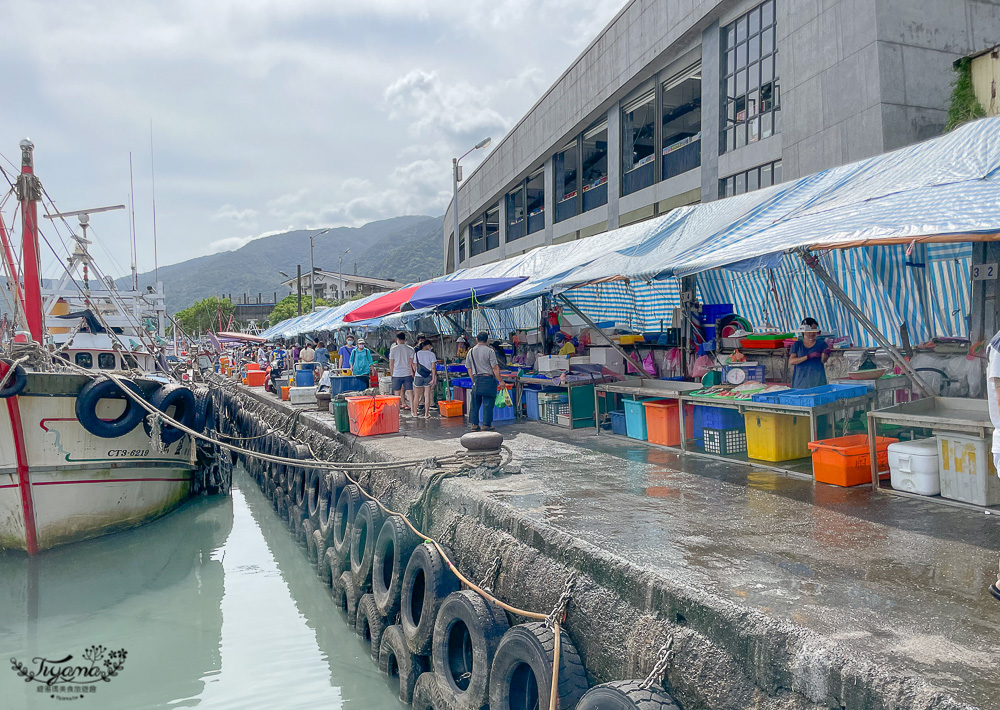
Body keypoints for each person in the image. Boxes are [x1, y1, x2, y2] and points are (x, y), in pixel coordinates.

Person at [465, 331, 503, 432]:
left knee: (475, 403)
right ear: (487, 340)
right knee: (488, 403)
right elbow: (495, 367)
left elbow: (469, 368)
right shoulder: (490, 351)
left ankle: (474, 424)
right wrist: (501, 381)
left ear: (476, 340)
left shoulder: (471, 351)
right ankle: (486, 424)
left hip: (476, 379)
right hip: (488, 379)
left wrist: (473, 380)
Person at [789, 317, 830, 389]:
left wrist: (825, 353)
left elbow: (823, 360)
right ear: (803, 331)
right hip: (800, 383)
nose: (812, 333)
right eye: (810, 330)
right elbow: (792, 361)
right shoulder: (797, 345)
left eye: (814, 330)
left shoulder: (822, 344)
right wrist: (808, 356)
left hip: (818, 382)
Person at [389, 332, 416, 413]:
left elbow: (391, 363)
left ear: (397, 339)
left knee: (397, 393)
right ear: (405, 339)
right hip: (407, 373)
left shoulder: (393, 349)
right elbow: (412, 363)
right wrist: (413, 373)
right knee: (410, 392)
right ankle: (413, 410)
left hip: (396, 374)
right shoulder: (411, 349)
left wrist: (392, 374)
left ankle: (397, 411)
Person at [413, 340, 439, 420]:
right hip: (428, 376)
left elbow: (414, 365)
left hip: (418, 376)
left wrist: (415, 373)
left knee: (417, 395)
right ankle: (426, 414)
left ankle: (414, 413)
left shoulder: (416, 354)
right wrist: (433, 378)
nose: (430, 347)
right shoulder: (431, 354)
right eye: (430, 346)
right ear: (427, 345)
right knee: (427, 395)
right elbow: (433, 368)